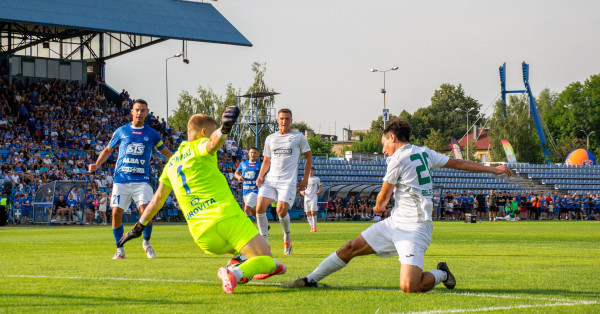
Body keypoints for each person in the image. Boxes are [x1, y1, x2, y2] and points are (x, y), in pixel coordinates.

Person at [281, 117, 512, 292]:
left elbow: (383, 196)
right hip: (396, 223)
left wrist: (377, 207)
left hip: (415, 228)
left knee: (409, 287)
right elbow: (459, 163)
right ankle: (309, 280)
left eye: (384, 143)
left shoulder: (398, 158)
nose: (383, 150)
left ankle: (441, 273)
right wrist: (493, 169)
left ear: (392, 137)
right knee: (350, 247)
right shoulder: (424, 152)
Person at [118, 108, 286, 294]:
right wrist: (224, 128)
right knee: (268, 260)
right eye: (212, 131)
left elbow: (156, 201)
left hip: (202, 235)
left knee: (253, 256)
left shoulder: (171, 164)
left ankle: (237, 262)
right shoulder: (199, 145)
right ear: (204, 132)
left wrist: (137, 228)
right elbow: (213, 144)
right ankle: (234, 273)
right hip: (225, 216)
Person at [89, 99, 173, 259]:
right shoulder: (121, 131)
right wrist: (97, 164)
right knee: (116, 213)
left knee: (146, 212)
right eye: (137, 110)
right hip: (121, 179)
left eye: (143, 110)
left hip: (142, 180)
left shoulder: (152, 134)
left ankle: (146, 243)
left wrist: (178, 164)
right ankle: (119, 250)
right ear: (132, 112)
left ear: (147, 113)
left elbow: (167, 152)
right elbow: (108, 150)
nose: (140, 113)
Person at [255, 108, 312, 255]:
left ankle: (287, 235)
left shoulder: (298, 137)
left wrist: (305, 179)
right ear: (277, 120)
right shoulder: (270, 138)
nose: (284, 121)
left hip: (288, 182)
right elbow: (267, 160)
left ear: (291, 120)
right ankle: (265, 242)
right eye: (282, 118)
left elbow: (308, 157)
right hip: (270, 180)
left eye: (287, 119)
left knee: (281, 211)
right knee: (259, 207)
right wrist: (261, 175)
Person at [233, 147, 261, 218]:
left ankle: (249, 228)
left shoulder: (260, 164)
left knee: (247, 209)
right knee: (253, 211)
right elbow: (236, 173)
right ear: (248, 154)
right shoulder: (243, 163)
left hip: (255, 190)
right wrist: (239, 177)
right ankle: (265, 225)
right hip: (245, 190)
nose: (253, 154)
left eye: (254, 153)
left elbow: (265, 175)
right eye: (251, 152)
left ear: (257, 155)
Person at [299, 167, 322, 232]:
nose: (310, 172)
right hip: (306, 198)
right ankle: (312, 227)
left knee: (313, 212)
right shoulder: (304, 179)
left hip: (313, 197)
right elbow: (301, 189)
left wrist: (319, 191)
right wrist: (301, 192)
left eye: (311, 170)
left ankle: (314, 227)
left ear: (313, 171)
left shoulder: (316, 179)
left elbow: (320, 185)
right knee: (308, 213)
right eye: (309, 170)